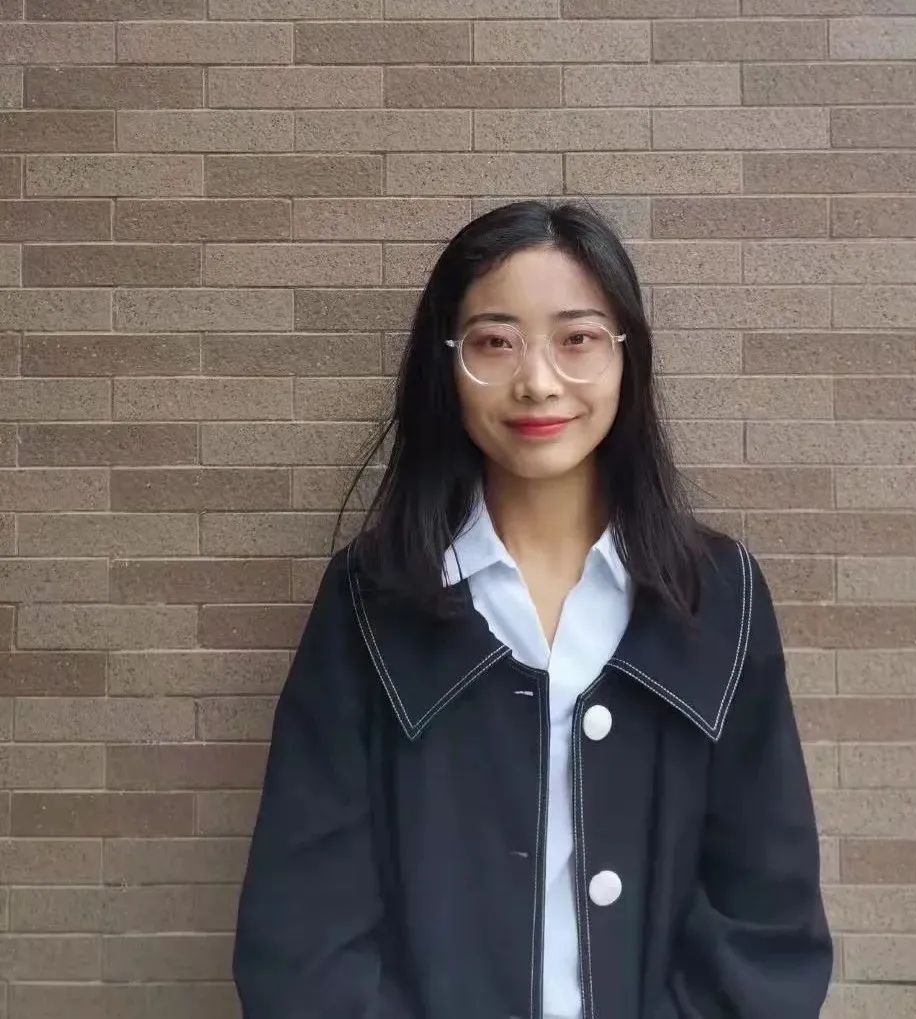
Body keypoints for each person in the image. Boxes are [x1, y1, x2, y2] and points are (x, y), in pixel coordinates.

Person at [232, 200, 833, 1019]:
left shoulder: (718, 596)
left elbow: (767, 922)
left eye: (577, 338)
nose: (538, 380)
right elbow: (303, 931)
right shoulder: (370, 601)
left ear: (626, 357)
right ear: (447, 364)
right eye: (496, 341)